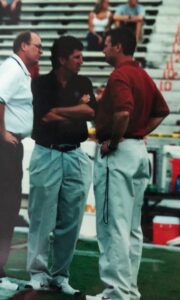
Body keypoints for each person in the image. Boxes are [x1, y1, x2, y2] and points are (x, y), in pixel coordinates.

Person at [86, 28, 170, 300]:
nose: (104, 50)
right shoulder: (142, 74)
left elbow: (123, 111)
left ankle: (117, 293)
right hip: (137, 151)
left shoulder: (120, 75)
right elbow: (162, 111)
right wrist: (140, 132)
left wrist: (114, 140)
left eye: (107, 45)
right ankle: (128, 290)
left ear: (119, 47)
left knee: (113, 225)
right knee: (131, 228)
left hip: (119, 154)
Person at [26, 35, 97, 295]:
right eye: (76, 57)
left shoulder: (84, 81)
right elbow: (45, 116)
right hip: (47, 153)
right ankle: (37, 272)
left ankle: (60, 275)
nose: (81, 61)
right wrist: (77, 107)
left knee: (72, 218)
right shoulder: (41, 84)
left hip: (75, 154)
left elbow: (92, 113)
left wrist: (62, 111)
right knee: (41, 215)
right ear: (62, 59)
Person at [0, 31, 42, 290]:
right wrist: (2, 132)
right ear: (23, 46)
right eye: (37, 46)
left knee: (8, 208)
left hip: (11, 146)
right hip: (5, 146)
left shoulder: (18, 69)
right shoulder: (13, 69)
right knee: (6, 207)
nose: (41, 51)